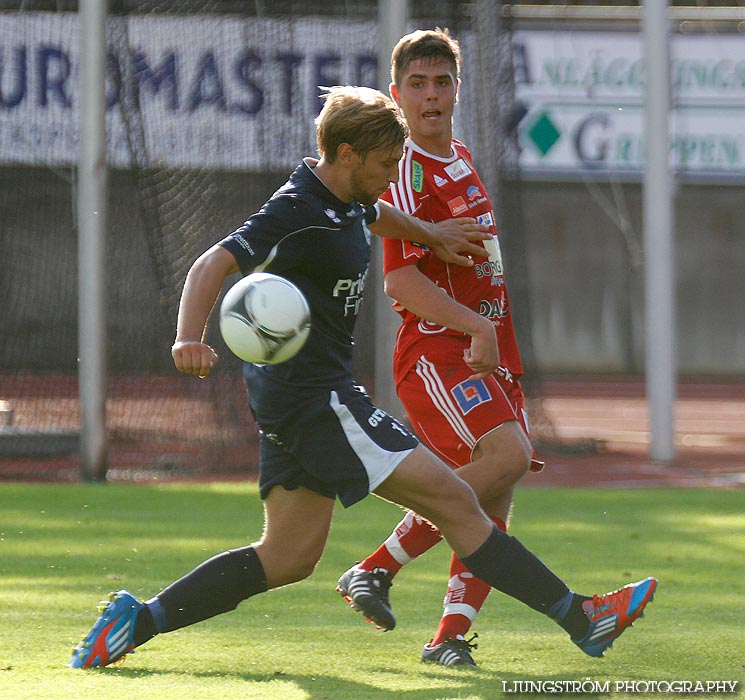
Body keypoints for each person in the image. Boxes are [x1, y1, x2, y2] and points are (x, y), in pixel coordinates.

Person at [67, 85, 656, 671]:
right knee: (455, 499)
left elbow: (377, 215)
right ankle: (583, 619)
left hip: (290, 398)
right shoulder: (298, 209)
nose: (392, 172)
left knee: (289, 555)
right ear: (346, 154)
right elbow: (212, 262)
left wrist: (433, 235)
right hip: (318, 398)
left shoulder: (348, 196)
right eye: (384, 162)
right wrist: (187, 338)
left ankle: (136, 620)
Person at [336, 28, 543, 667]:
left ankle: (450, 639)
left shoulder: (459, 153)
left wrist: (495, 337)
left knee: (497, 488)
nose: (431, 95)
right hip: (437, 351)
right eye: (417, 84)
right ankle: (374, 568)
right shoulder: (401, 170)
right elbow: (400, 278)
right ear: (396, 95)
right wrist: (477, 328)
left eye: (442, 81)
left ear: (457, 88)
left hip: (484, 348)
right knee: (506, 458)